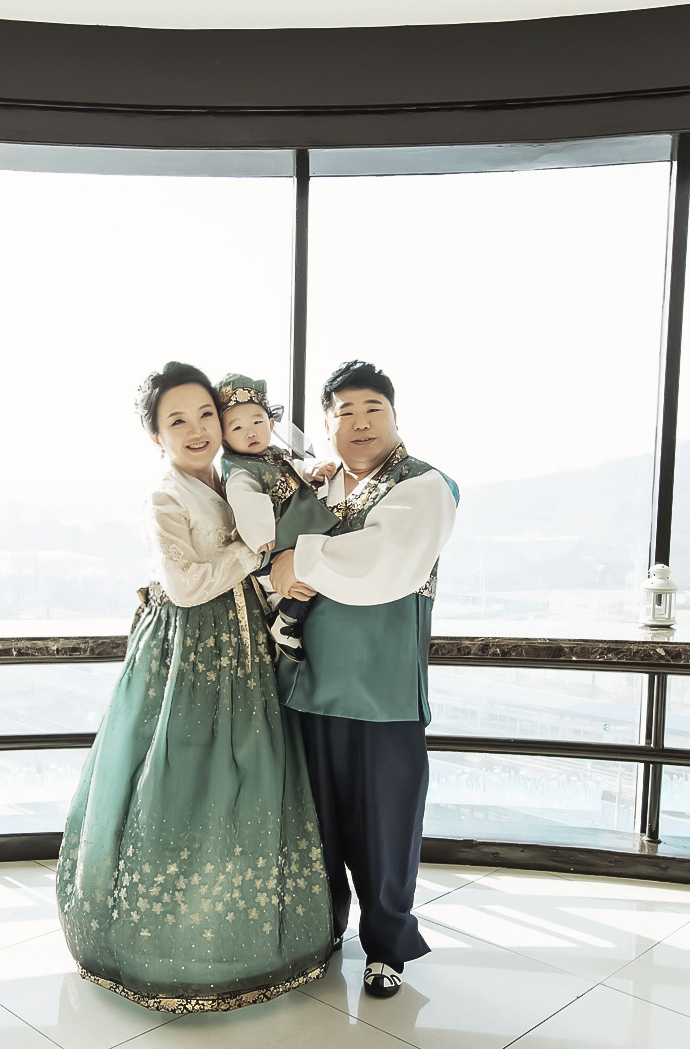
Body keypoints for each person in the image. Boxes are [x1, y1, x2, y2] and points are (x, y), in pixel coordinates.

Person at [55, 362, 333, 1013]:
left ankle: (251, 935)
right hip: (186, 653)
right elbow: (183, 585)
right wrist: (257, 554)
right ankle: (173, 943)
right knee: (180, 782)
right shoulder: (166, 497)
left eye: (205, 414)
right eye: (177, 420)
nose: (197, 429)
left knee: (248, 779)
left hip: (243, 646)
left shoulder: (231, 476)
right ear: (157, 435)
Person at [268, 360, 458, 1000]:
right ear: (326, 426)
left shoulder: (423, 484)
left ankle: (386, 948)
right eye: (344, 413)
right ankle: (321, 934)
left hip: (383, 691)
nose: (359, 423)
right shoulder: (317, 490)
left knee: (386, 828)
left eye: (373, 409)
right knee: (316, 828)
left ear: (395, 416)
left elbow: (386, 559)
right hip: (309, 685)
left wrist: (300, 558)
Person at [216, 373, 339, 663]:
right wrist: (260, 535)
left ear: (271, 424)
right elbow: (244, 499)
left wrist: (311, 471)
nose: (251, 432)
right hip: (276, 537)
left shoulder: (273, 454)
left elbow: (293, 466)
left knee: (316, 568)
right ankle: (284, 621)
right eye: (238, 427)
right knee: (301, 583)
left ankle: (286, 617)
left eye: (257, 423)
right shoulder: (239, 468)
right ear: (223, 436)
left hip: (295, 526)